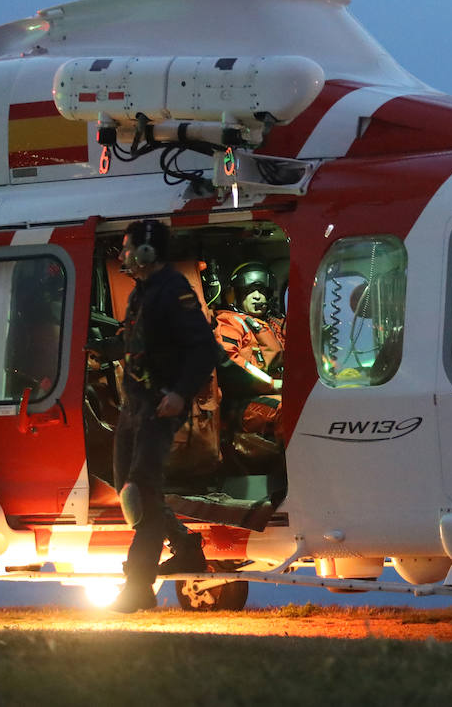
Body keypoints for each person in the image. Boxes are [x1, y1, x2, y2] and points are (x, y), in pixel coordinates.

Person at [109, 218, 223, 613]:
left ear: (146, 251)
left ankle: (138, 587)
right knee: (127, 487)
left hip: (158, 410)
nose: (123, 255)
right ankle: (186, 547)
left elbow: (205, 350)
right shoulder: (141, 294)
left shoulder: (174, 291)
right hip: (134, 408)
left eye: (128, 248)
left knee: (141, 494)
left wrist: (179, 393)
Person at [213, 261, 286, 463]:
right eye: (249, 291)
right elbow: (231, 364)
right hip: (242, 402)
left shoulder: (276, 325)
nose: (257, 296)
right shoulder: (230, 323)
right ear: (236, 294)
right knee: (289, 410)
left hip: (274, 393)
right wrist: (274, 385)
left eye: (262, 291)